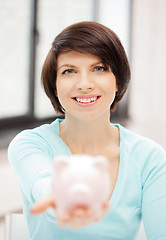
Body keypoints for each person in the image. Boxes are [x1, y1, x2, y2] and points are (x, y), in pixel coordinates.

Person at [8, 21, 166, 240]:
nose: (84, 84)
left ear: (118, 80)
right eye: (69, 71)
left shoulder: (150, 158)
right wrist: (61, 198)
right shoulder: (31, 144)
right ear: (55, 85)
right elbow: (42, 183)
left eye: (99, 68)